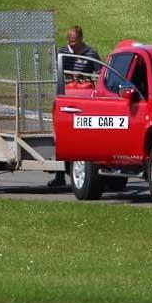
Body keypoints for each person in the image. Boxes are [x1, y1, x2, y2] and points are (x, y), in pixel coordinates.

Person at [50, 25, 102, 187]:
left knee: (83, 136)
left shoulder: (91, 54)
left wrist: (87, 80)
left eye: (74, 41)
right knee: (60, 136)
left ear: (81, 39)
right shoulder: (62, 53)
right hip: (65, 98)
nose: (70, 44)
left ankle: (91, 172)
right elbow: (53, 71)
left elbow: (100, 73)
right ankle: (60, 175)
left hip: (84, 100)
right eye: (69, 41)